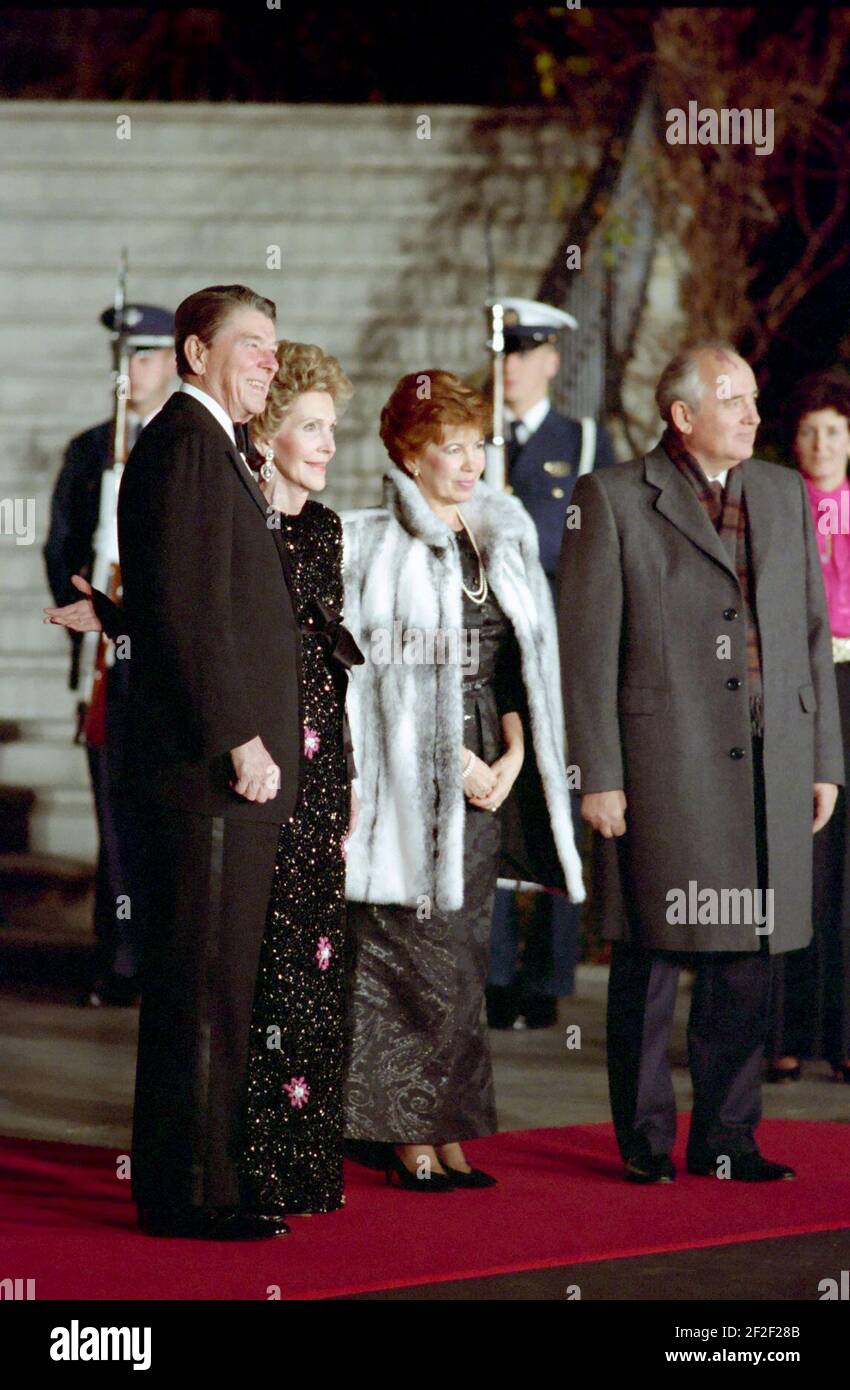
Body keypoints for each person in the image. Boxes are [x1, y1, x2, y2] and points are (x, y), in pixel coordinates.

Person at [47, 284, 301, 1240]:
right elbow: (193, 612)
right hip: (213, 774)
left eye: (277, 347)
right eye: (253, 344)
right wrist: (239, 736)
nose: (271, 362)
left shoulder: (211, 445)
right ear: (196, 353)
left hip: (224, 770)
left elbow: (191, 599)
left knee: (219, 985)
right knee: (203, 989)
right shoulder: (190, 445)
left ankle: (208, 1177)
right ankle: (191, 1191)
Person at [558, 342, 844, 1185]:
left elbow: (809, 638)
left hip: (771, 756)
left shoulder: (784, 494)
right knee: (654, 950)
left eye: (756, 398)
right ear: (683, 417)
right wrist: (598, 774)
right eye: (735, 401)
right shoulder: (610, 498)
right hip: (662, 761)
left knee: (751, 952)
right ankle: (647, 1143)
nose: (756, 416)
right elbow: (585, 655)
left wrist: (823, 756)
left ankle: (728, 1137)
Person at [341, 369, 585, 1191]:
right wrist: (459, 760)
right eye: (452, 447)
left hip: (492, 754)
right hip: (412, 767)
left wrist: (514, 756)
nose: (470, 461)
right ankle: (401, 1129)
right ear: (411, 454)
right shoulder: (375, 543)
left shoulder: (501, 533)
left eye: (477, 445)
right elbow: (377, 682)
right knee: (409, 949)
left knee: (465, 954)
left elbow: (521, 666)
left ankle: (449, 1126)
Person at [237, 341, 362, 1213]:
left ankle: (306, 1161)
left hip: (323, 770)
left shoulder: (326, 528)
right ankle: (249, 1164)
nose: (324, 445)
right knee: (263, 965)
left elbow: (333, 662)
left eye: (331, 429)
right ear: (271, 429)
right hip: (257, 768)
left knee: (319, 963)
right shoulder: (240, 519)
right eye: (310, 428)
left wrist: (347, 770)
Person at [484, 297, 616, 1030]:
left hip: (560, 651)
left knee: (558, 805)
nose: (508, 367)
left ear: (551, 361)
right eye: (502, 352)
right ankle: (495, 971)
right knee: (494, 802)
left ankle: (547, 977)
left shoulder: (584, 440)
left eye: (523, 353)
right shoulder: (474, 437)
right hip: (490, 650)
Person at [44, 303, 175, 1007]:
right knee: (114, 818)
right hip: (103, 666)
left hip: (162, 664)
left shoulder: (183, 445)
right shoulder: (91, 449)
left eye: (145, 357)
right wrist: (85, 619)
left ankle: (164, 959)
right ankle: (119, 960)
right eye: (125, 358)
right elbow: (60, 545)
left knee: (163, 820)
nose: (132, 371)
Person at [767, 372, 850, 1085]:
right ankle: (784, 1032)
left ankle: (843, 1033)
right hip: (798, 686)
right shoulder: (771, 505)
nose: (821, 444)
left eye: (834, 430)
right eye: (809, 430)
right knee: (802, 862)